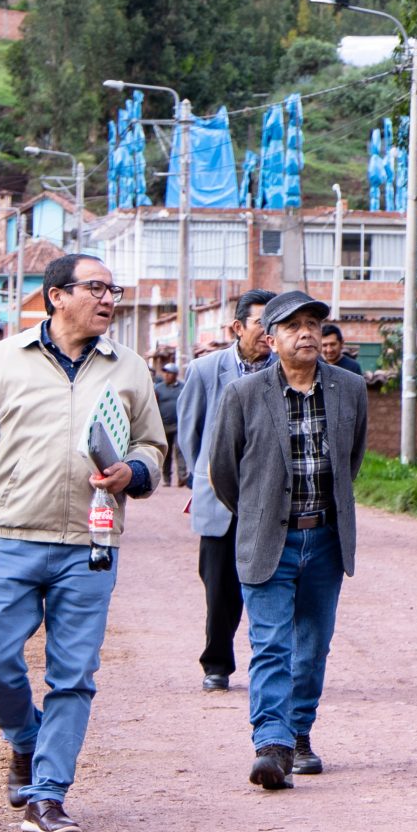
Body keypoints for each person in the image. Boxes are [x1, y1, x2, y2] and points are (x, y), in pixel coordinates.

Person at [0, 254, 167, 832]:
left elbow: (154, 447)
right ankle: (26, 741)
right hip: (12, 536)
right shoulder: (5, 361)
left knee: (73, 676)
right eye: (96, 288)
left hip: (92, 541)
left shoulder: (128, 369)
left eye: (114, 290)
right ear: (56, 296)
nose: (108, 299)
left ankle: (48, 796)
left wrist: (134, 469)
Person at [208, 291, 370, 790]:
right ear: (270, 338)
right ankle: (272, 744)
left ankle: (299, 732)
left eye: (314, 325)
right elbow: (223, 471)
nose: (306, 333)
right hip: (266, 540)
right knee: (271, 644)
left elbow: (353, 460)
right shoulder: (244, 394)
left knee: (313, 646)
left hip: (324, 538)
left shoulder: (350, 389)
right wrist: (261, 513)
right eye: (293, 326)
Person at [173, 290, 274, 692]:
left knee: (272, 582)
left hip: (269, 497)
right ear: (238, 327)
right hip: (219, 497)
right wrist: (208, 475)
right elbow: (190, 433)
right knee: (219, 584)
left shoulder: (287, 370)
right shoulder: (205, 370)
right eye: (262, 324)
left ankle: (270, 666)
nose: (271, 333)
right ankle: (216, 663)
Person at [151, 353, 183, 488]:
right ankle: (166, 478)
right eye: (164, 373)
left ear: (175, 374)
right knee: (167, 453)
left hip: (179, 425)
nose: (166, 375)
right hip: (164, 426)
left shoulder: (183, 387)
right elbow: (153, 405)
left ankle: (182, 476)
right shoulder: (158, 388)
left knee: (180, 450)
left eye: (169, 373)